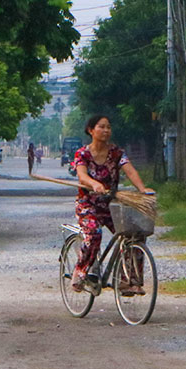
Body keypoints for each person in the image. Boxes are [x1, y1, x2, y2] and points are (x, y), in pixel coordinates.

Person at [70, 115, 154, 295]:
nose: (106, 130)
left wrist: (142, 189)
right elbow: (82, 176)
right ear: (91, 130)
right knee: (93, 234)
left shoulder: (116, 153)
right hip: (88, 204)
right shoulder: (82, 154)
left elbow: (130, 170)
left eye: (108, 127)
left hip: (110, 205)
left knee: (135, 234)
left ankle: (129, 280)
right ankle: (81, 270)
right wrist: (93, 184)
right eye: (101, 127)